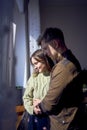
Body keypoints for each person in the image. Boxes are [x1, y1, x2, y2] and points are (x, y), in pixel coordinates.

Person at [33, 27, 83, 130]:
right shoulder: (67, 62)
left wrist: (39, 106)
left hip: (65, 125)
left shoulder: (64, 67)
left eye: (46, 48)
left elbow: (49, 104)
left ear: (55, 44)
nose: (45, 53)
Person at [23, 49, 54, 130]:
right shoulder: (34, 77)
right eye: (33, 64)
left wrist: (43, 104)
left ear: (45, 60)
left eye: (36, 63)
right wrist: (32, 109)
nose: (35, 66)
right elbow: (26, 97)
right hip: (34, 119)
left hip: (51, 119)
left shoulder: (54, 76)